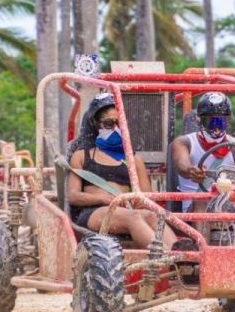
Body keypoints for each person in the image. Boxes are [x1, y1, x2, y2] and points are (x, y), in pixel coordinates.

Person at [68, 93, 176, 250]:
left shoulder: (133, 159)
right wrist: (102, 199)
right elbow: (72, 196)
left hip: (127, 210)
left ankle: (184, 256)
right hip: (94, 212)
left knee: (153, 216)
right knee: (134, 217)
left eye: (119, 123)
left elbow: (147, 197)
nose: (115, 129)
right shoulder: (82, 156)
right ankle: (170, 259)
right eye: (109, 124)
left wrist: (139, 200)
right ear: (96, 125)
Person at [171, 92, 235, 245]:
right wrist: (192, 171)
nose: (216, 128)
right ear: (199, 120)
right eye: (211, 122)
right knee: (204, 200)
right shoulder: (184, 142)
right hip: (195, 209)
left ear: (228, 122)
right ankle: (205, 255)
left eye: (221, 122)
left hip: (231, 205)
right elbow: (181, 165)